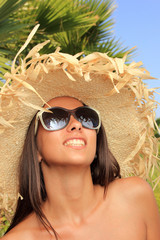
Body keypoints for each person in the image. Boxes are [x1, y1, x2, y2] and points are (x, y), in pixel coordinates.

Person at [0, 26, 160, 239]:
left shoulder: (135, 196)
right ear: (35, 148)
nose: (76, 125)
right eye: (55, 118)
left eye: (86, 117)